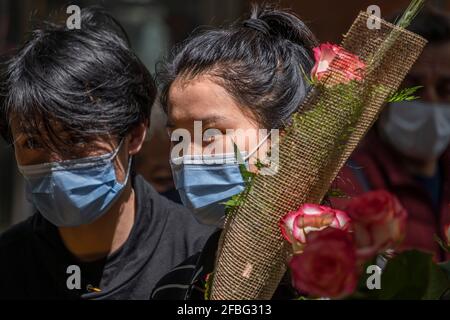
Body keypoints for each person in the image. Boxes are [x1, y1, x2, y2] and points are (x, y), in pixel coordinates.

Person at [0, 7, 214, 299]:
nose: (55, 163)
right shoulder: (9, 264)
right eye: (33, 143)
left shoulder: (201, 258)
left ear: (135, 135)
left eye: (77, 138)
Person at [151, 4, 317, 299]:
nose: (188, 155)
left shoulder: (359, 277)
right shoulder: (176, 289)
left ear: (285, 135)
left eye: (211, 133)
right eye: (178, 137)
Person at [331, 7, 450, 262]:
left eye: (445, 88)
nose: (430, 101)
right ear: (380, 91)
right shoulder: (347, 183)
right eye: (412, 87)